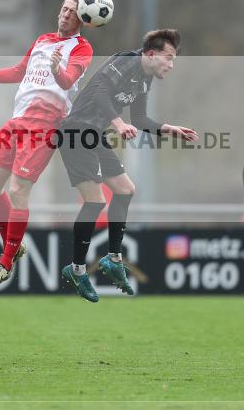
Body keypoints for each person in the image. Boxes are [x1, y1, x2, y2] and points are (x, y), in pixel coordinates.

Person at [0, 0, 93, 286]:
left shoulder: (82, 48)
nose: (66, 14)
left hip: (45, 124)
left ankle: (4, 264)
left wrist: (57, 70)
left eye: (73, 12)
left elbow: (68, 81)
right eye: (64, 8)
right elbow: (19, 72)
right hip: (17, 120)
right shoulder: (42, 39)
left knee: (18, 190)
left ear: (84, 20)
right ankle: (13, 244)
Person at [57, 29, 198, 302]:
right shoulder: (127, 61)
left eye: (174, 60)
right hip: (75, 131)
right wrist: (118, 123)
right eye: (168, 58)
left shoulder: (144, 80)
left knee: (125, 189)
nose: (171, 64)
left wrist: (169, 129)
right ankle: (76, 269)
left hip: (93, 133)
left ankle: (113, 258)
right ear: (151, 54)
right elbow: (99, 92)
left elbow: (141, 118)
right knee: (95, 202)